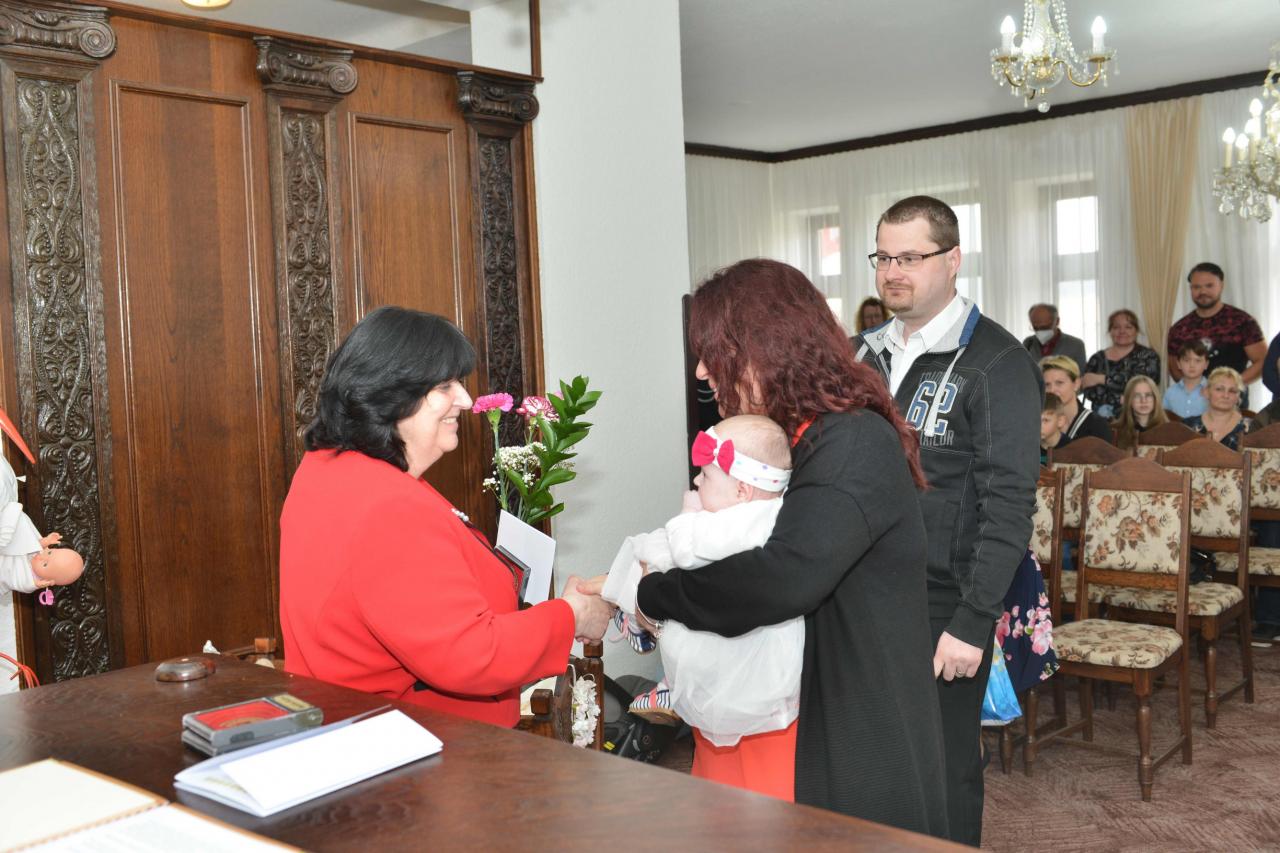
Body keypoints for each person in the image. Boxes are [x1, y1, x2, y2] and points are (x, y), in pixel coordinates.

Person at [613, 258, 948, 838]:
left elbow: (781, 578)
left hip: (853, 715)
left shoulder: (851, 440)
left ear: (768, 347)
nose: (701, 369)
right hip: (803, 705)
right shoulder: (802, 436)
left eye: (714, 351)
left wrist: (655, 593)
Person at [279, 306, 612, 726]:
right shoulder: (389, 506)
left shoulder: (327, 470)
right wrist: (572, 615)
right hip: (418, 744)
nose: (466, 401)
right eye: (444, 386)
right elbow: (473, 654)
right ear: (391, 392)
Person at [853, 195, 1041, 846]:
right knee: (869, 757)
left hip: (942, 602)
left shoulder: (997, 361)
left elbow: (1009, 503)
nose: (892, 272)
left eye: (910, 257)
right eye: (883, 257)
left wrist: (973, 618)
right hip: (858, 592)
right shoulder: (860, 356)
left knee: (942, 763)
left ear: (953, 259)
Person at [601, 414, 802, 800]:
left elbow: (683, 553)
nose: (696, 482)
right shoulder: (784, 517)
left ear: (742, 490)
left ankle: (661, 674)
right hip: (770, 680)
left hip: (732, 674)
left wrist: (687, 516)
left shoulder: (721, 528)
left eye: (706, 476)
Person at [1167, 262, 1266, 408]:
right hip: (1193, 404)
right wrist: (1195, 391)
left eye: (1209, 286)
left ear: (1221, 285)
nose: (1203, 291)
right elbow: (1174, 368)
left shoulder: (1242, 321)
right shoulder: (1180, 328)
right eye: (1196, 287)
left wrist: (1230, 386)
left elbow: (1262, 361)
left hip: (1232, 403)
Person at [1081, 309, 1161, 420]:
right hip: (1102, 421)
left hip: (1139, 419)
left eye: (1128, 327)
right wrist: (1121, 399)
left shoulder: (1149, 356)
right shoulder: (1097, 358)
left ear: (1136, 331)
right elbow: (1089, 390)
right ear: (1110, 331)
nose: (1122, 331)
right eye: (1116, 327)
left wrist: (1101, 379)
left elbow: (1139, 384)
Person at [1040, 355, 1113, 445]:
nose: (1052, 390)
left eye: (1059, 383)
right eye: (1047, 385)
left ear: (1076, 384)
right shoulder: (1036, 423)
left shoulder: (1097, 425)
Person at [1183, 366, 1253, 451]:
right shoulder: (1187, 426)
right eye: (1219, 389)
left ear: (1238, 397)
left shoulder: (1251, 428)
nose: (1226, 395)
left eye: (1232, 391)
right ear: (1206, 392)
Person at [1023, 303, 1088, 373]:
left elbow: (1081, 375)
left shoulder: (1076, 345)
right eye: (1035, 328)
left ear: (1057, 321)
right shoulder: (1028, 343)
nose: (1040, 331)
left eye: (1044, 327)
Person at [1110, 375, 1168, 452]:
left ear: (1155, 398)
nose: (1143, 401)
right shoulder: (1115, 431)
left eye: (1148, 395)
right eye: (1137, 396)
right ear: (1129, 400)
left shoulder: (1169, 431)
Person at [1163, 341, 1210, 420]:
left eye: (1198, 361)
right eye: (1186, 360)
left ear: (1206, 364)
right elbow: (1165, 419)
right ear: (1179, 364)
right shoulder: (1170, 392)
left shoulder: (1213, 391)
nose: (1192, 365)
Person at [1040, 393, 1068, 466]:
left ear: (1060, 421)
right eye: (1035, 420)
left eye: (1045, 420)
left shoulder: (1071, 448)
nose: (1039, 425)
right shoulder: (1028, 447)